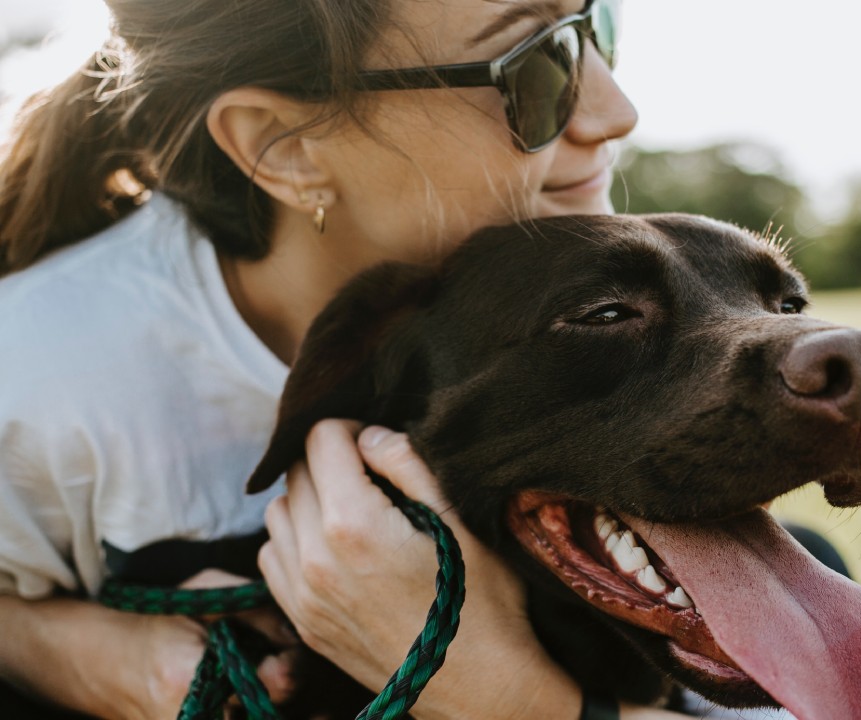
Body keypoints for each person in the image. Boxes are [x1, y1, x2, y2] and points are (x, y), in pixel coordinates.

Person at [0, 0, 705, 717]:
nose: (616, 111)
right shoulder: (34, 371)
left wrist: (498, 691)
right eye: (534, 65)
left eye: (596, 26)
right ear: (285, 147)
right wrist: (59, 649)